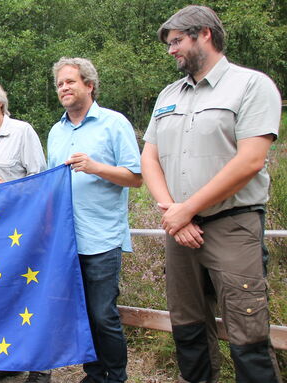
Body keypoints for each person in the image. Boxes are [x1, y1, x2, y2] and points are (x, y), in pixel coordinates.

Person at [141, 5, 282, 382]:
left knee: (247, 331)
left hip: (233, 225)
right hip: (178, 228)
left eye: (176, 41)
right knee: (187, 327)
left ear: (204, 33)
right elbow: (149, 157)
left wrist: (187, 209)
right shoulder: (168, 94)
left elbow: (250, 160)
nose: (171, 50)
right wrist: (174, 212)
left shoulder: (251, 85)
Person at [47, 57, 142, 383]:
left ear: (89, 84)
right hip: (68, 240)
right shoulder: (55, 132)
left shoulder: (114, 124)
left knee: (103, 315)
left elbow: (135, 176)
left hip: (102, 237)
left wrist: (95, 166)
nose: (63, 88)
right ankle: (94, 374)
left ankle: (116, 377)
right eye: (59, 84)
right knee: (83, 315)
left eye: (70, 82)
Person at [0, 77, 48, 383]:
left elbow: (41, 182)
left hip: (25, 232)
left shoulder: (22, 131)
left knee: (31, 298)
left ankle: (40, 367)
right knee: (3, 298)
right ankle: (8, 360)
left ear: (0, 101)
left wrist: (9, 187)